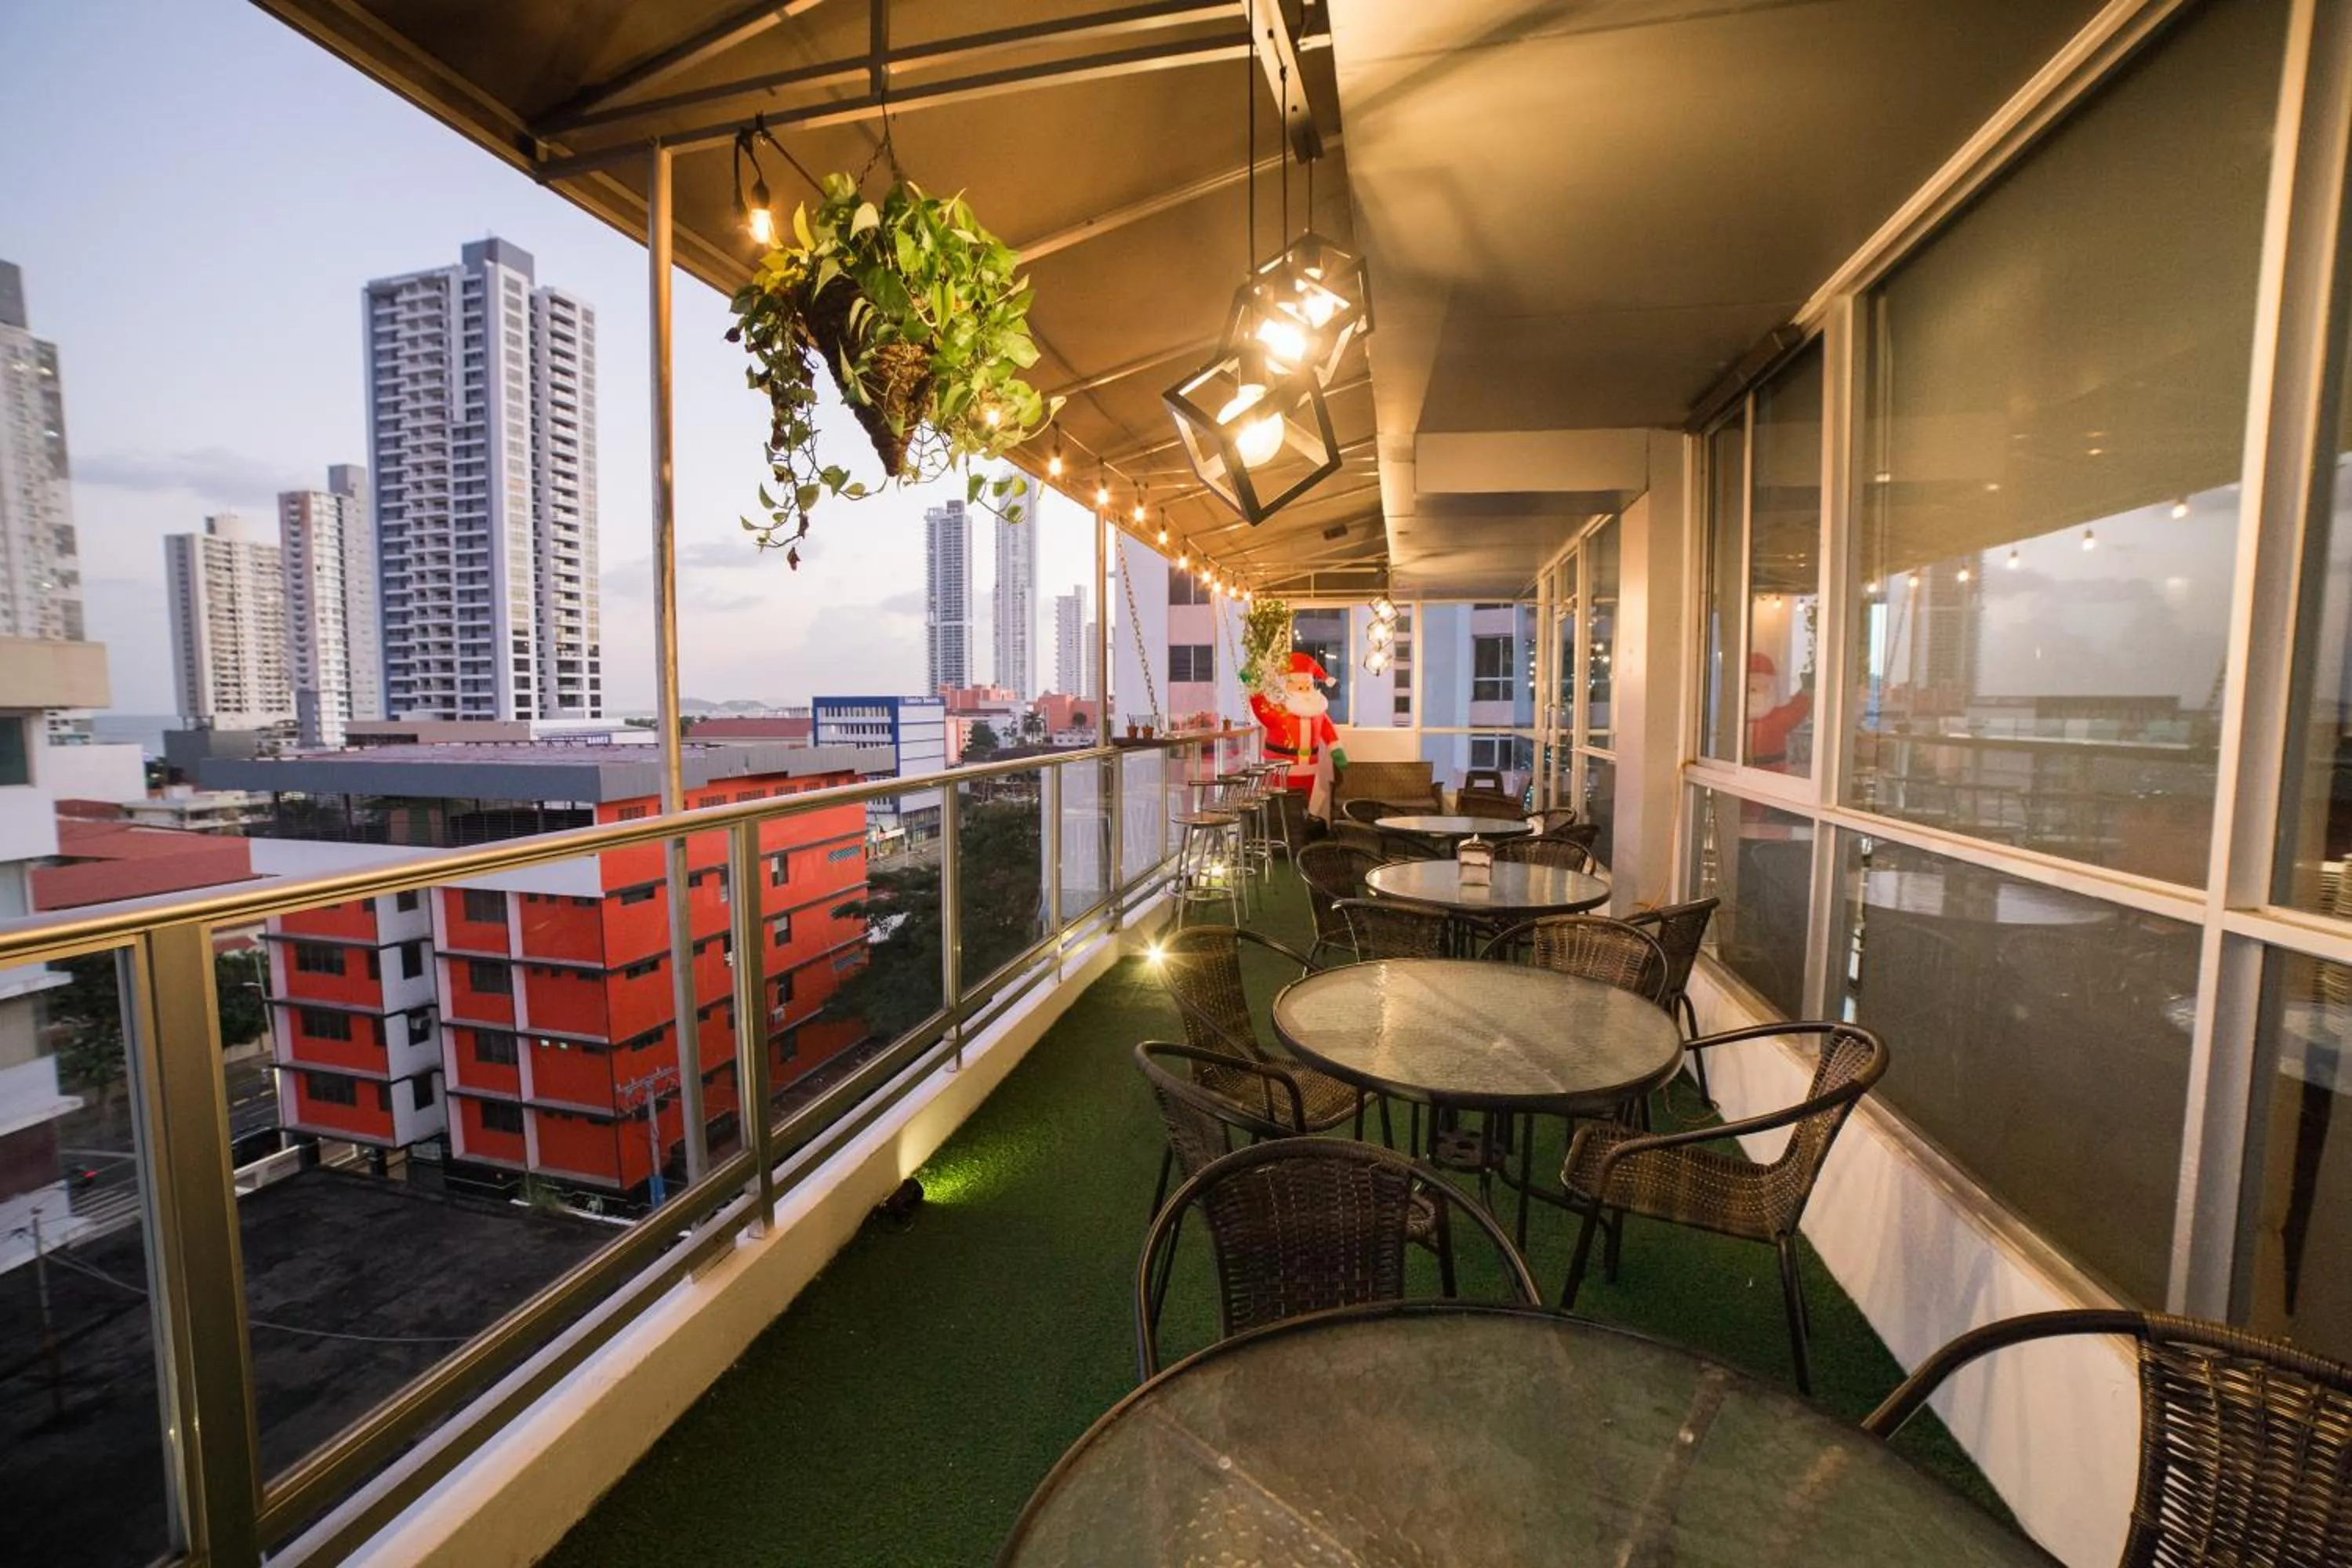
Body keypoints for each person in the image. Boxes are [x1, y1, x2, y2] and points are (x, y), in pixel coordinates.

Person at [1250, 650, 1345, 818]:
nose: (1305, 691)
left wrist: (1337, 751)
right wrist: (1252, 683)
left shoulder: (1317, 712)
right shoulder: (1280, 710)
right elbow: (1261, 709)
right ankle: (1281, 832)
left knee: (1303, 803)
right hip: (1280, 769)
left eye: (1307, 686)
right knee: (1279, 806)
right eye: (1299, 687)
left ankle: (1300, 829)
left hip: (1309, 767)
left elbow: (1328, 730)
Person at [1746, 651, 1812, 772]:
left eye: (1756, 689)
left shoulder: (1777, 719)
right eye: (1749, 689)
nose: (1752, 695)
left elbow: (1797, 708)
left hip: (1773, 776)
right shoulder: (1733, 717)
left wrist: (1805, 691)